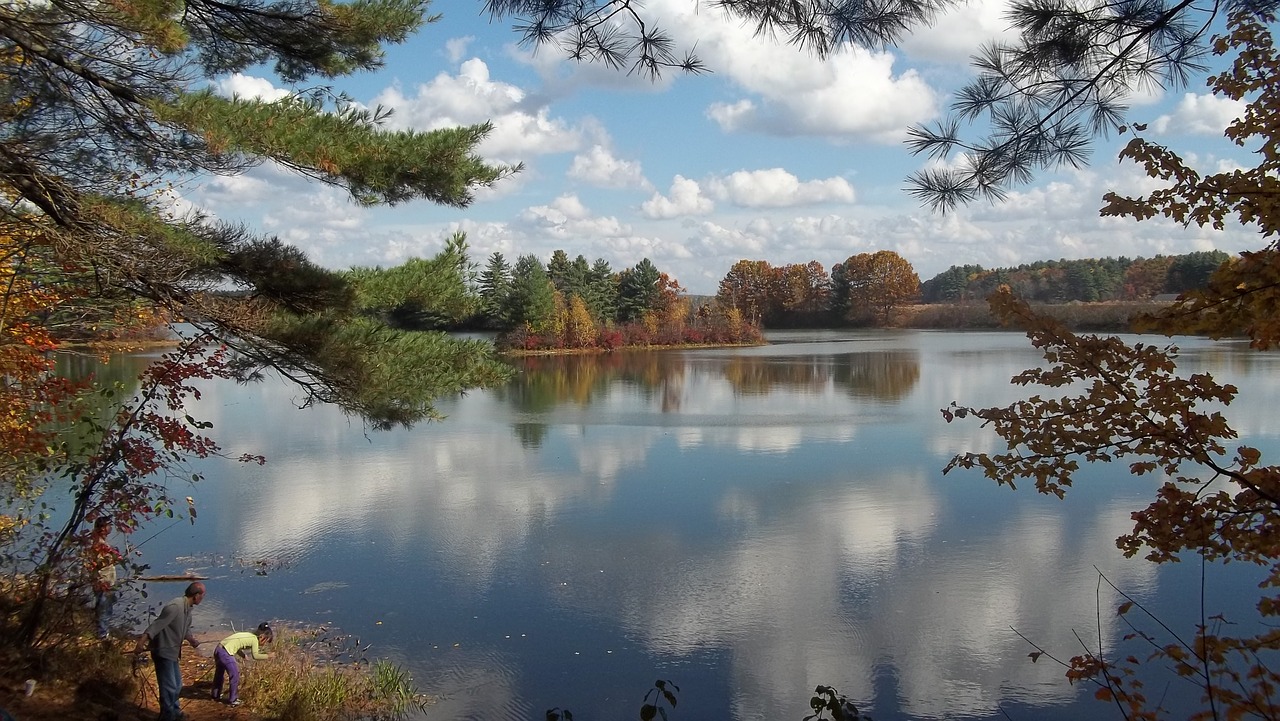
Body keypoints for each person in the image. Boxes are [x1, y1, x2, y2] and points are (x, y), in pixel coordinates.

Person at [134, 582, 205, 721]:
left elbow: (185, 629)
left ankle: (175, 712)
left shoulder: (188, 609)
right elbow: (156, 625)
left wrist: (192, 640)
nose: (202, 598)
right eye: (202, 595)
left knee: (177, 685)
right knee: (169, 686)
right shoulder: (175, 606)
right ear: (196, 595)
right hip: (162, 652)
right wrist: (141, 643)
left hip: (173, 653)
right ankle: (167, 716)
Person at [212, 622, 273, 707]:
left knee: (219, 674)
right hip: (226, 653)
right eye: (266, 641)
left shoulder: (248, 635)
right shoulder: (254, 640)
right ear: (262, 637)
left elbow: (236, 645)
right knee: (235, 674)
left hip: (218, 649)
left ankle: (215, 695)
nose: (264, 644)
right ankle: (233, 700)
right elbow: (256, 656)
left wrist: (243, 655)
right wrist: (269, 656)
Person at [88, 517, 122, 639]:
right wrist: (114, 558)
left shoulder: (99, 542)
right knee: (104, 610)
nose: (110, 528)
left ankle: (103, 633)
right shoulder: (99, 544)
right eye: (108, 525)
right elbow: (97, 564)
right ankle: (103, 635)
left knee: (105, 608)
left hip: (105, 582)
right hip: (103, 582)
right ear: (103, 528)